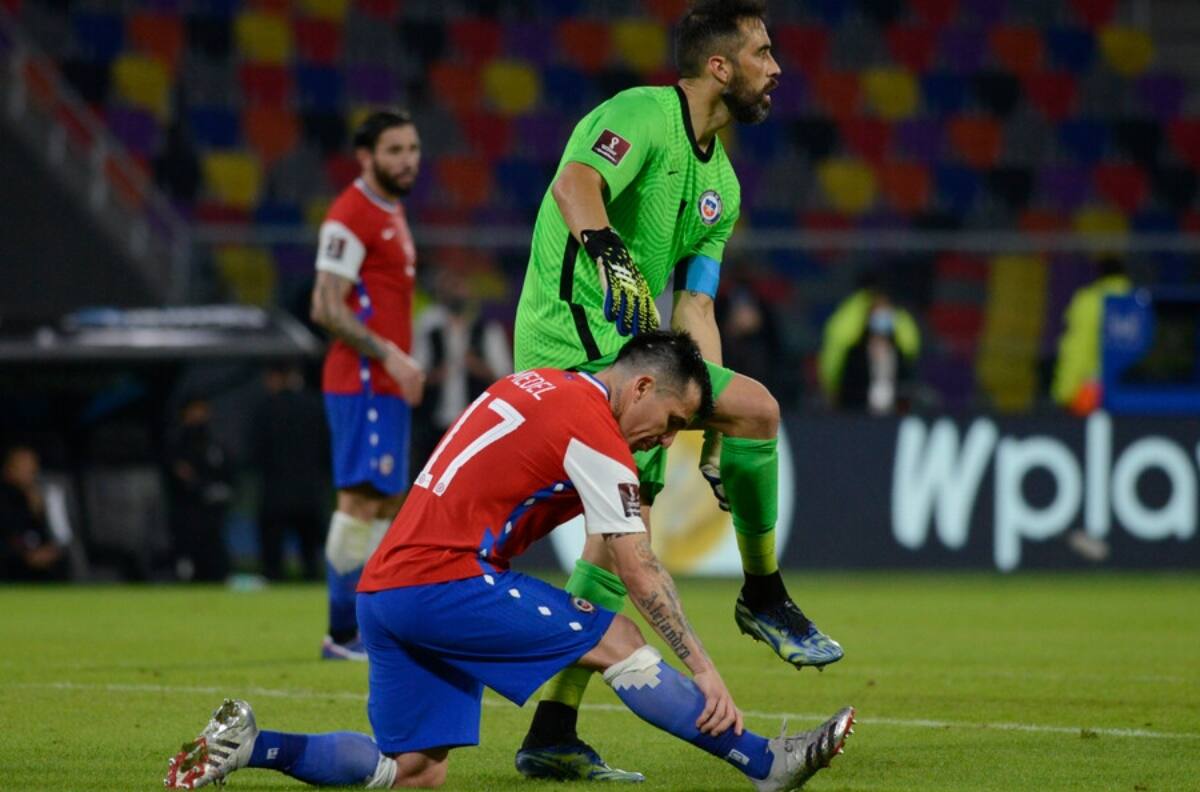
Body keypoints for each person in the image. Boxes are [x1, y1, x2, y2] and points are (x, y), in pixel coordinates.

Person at [163, 331, 855, 792]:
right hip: (443, 579)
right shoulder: (596, 434)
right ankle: (767, 762)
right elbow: (638, 570)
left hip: (388, 588)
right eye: (672, 421)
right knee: (618, 639)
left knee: (412, 772)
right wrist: (706, 668)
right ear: (641, 388)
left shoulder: (535, 385)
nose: (667, 437)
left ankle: (253, 746)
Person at [511, 1, 842, 777]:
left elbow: (695, 308)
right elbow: (575, 183)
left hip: (640, 360)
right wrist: (609, 255)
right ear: (719, 66)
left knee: (638, 516)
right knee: (626, 531)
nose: (778, 68)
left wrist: (716, 433)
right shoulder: (642, 114)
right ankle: (761, 595)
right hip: (570, 347)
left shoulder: (719, 182)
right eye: (763, 52)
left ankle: (551, 731)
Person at [309, 109, 425, 660]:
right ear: (366, 156)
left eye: (413, 149)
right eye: (395, 150)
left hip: (383, 383)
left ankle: (367, 625)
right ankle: (343, 633)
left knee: (382, 502)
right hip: (362, 379)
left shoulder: (390, 210)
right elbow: (325, 306)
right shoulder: (351, 213)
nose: (408, 160)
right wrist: (392, 358)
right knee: (359, 499)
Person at [410, 269, 513, 468]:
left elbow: (504, 378)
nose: (457, 294)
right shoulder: (431, 332)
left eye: (460, 287)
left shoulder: (488, 331)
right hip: (434, 423)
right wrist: (436, 375)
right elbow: (417, 375)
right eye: (451, 288)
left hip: (475, 420)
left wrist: (477, 366)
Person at [250, 364, 329, 581]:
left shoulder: (266, 408)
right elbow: (327, 447)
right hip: (309, 490)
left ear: (276, 377)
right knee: (309, 549)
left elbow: (255, 452)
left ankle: (273, 579)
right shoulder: (315, 406)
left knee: (272, 554)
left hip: (275, 491)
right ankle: (311, 578)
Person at [818, 273, 920, 414]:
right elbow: (841, 382)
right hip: (858, 413)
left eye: (885, 309)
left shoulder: (898, 354)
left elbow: (910, 355)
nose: (882, 315)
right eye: (877, 310)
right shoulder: (855, 357)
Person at [1051, 257, 1132, 414]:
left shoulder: (1090, 301)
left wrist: (1065, 392)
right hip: (1133, 393)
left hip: (1092, 394)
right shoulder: (1140, 301)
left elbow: (1077, 348)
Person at [166, 398, 234, 583]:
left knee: (215, 564)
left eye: (202, 410)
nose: (198, 416)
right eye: (194, 411)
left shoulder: (215, 445)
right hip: (185, 515)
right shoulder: (176, 444)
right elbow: (178, 476)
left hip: (211, 517)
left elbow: (227, 476)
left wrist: (205, 486)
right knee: (185, 564)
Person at [0, 444, 66, 581]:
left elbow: (61, 533)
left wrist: (39, 509)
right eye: (21, 465)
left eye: (31, 464)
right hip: (11, 565)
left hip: (47, 564)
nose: (28, 470)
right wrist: (24, 556)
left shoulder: (48, 495)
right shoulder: (5, 500)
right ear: (7, 469)